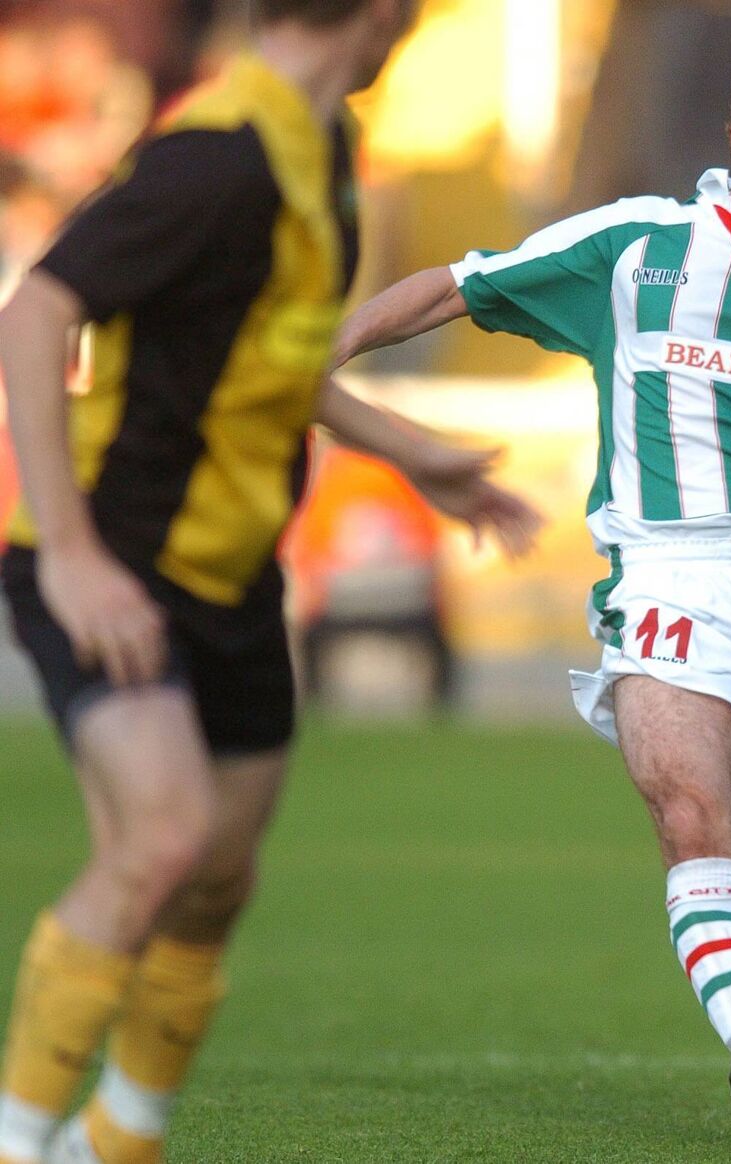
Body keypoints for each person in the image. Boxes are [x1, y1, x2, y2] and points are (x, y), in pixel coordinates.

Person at [334, 31, 731, 1154]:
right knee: (689, 813)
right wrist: (321, 354)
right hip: (669, 575)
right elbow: (456, 288)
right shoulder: (634, 248)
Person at [0, 3, 540, 1162]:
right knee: (163, 841)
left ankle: (112, 1145)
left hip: (232, 573)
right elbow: (37, 309)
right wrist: (76, 553)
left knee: (216, 881)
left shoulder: (324, 145)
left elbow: (269, 357)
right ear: (382, 16)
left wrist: (412, 453)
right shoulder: (221, 156)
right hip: (116, 554)